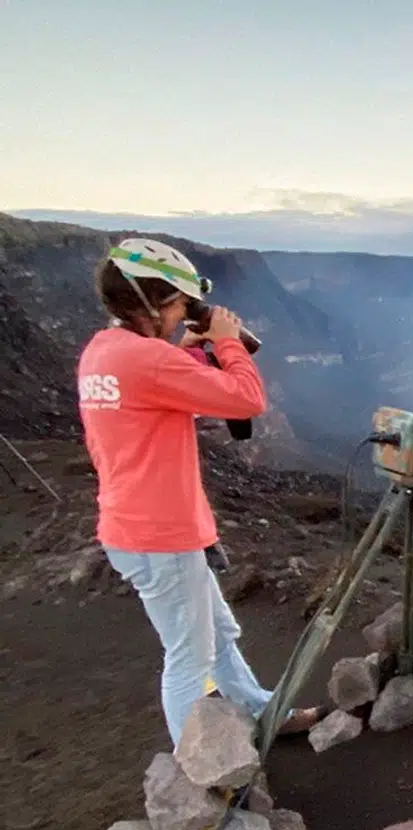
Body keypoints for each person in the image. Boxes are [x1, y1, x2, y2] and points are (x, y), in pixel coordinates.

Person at [76, 238, 314, 745]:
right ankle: (201, 778)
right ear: (154, 303)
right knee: (190, 659)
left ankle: (261, 711)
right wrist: (226, 340)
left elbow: (156, 383)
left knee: (218, 636)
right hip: (161, 534)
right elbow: (246, 400)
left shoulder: (104, 352)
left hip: (137, 526)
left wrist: (181, 350)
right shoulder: (148, 362)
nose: (187, 313)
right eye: (182, 303)